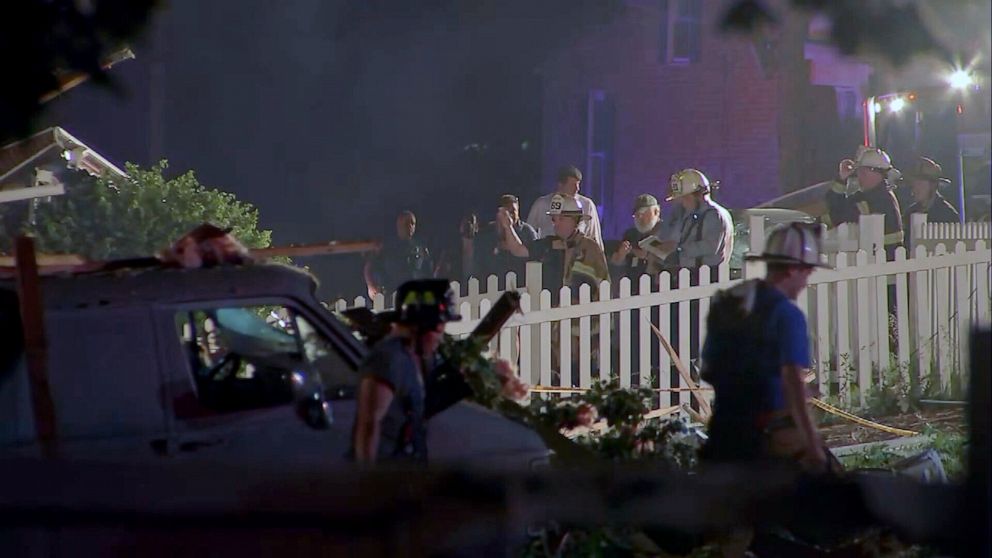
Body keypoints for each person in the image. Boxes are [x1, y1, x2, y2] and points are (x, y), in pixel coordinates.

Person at [700, 223, 836, 556]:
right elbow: (792, 381)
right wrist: (813, 444)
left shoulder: (729, 304)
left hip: (724, 432)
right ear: (792, 269)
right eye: (806, 272)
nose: (806, 281)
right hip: (769, 436)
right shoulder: (787, 315)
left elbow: (710, 368)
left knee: (733, 529)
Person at [501, 193, 609, 294]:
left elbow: (604, 286)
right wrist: (508, 227)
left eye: (561, 219)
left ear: (575, 220)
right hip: (552, 311)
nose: (555, 224)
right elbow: (518, 250)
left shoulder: (590, 248)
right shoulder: (548, 245)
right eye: (554, 219)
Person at [659, 169, 734, 280]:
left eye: (685, 198)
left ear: (697, 194)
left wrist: (679, 251)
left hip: (707, 277)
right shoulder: (693, 215)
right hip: (696, 275)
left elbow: (710, 246)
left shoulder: (713, 215)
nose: (683, 203)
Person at [526, 165, 604, 249]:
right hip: (548, 254)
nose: (577, 189)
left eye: (578, 184)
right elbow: (528, 233)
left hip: (577, 256)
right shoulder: (541, 204)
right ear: (560, 185)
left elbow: (595, 237)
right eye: (572, 185)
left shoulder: (587, 205)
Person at [848, 147, 905, 259]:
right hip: (890, 264)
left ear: (878, 174)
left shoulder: (875, 199)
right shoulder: (884, 194)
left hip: (884, 265)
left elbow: (838, 215)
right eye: (859, 172)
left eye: (863, 172)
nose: (859, 177)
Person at [364, 210, 434, 299]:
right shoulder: (387, 246)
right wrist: (371, 286)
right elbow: (369, 267)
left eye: (413, 224)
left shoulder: (419, 246)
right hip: (392, 294)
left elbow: (427, 270)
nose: (410, 227)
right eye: (406, 224)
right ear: (399, 226)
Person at [470, 194, 538, 282]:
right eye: (506, 213)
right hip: (492, 287)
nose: (510, 217)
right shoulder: (486, 234)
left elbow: (536, 260)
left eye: (513, 212)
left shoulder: (528, 233)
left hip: (521, 286)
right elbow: (478, 265)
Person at [610, 193, 665, 286]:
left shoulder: (666, 232)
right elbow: (616, 263)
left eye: (643, 213)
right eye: (637, 214)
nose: (639, 217)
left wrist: (649, 256)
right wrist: (621, 255)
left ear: (656, 212)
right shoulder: (631, 235)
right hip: (632, 287)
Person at [902, 156, 960, 237]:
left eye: (920, 184)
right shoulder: (910, 214)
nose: (915, 188)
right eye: (913, 184)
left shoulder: (947, 215)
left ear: (933, 185)